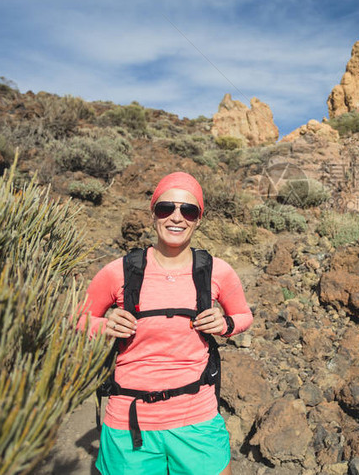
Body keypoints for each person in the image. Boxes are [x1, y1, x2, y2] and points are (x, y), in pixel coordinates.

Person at [80, 171, 252, 475]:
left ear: (199, 218)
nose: (176, 217)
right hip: (128, 422)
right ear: (153, 214)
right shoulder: (119, 272)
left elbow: (244, 316)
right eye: (165, 208)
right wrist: (103, 325)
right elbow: (76, 317)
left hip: (197, 416)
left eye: (188, 210)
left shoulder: (217, 271)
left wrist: (225, 323)